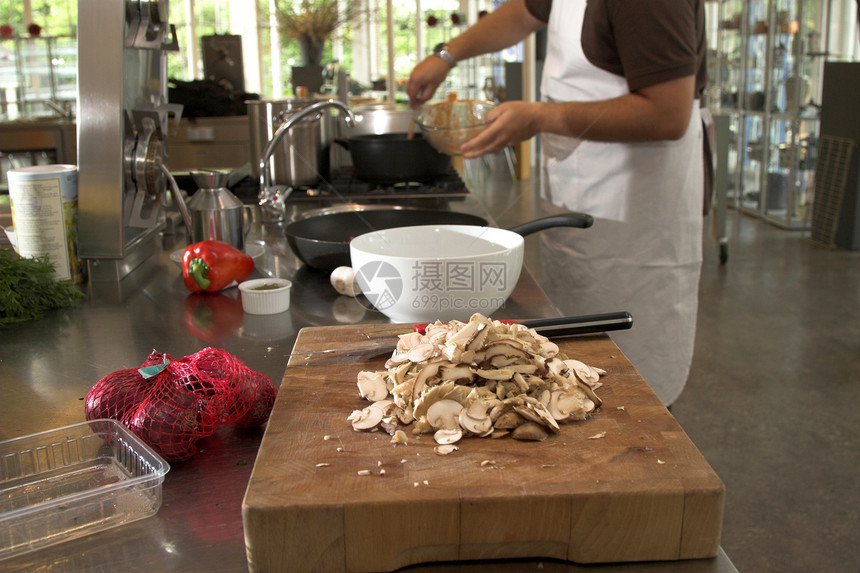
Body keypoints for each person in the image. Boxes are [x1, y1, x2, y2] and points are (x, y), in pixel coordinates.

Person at [406, 0, 707, 406]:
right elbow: (526, 11)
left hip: (635, 215)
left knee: (632, 387)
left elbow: (668, 113)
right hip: (586, 197)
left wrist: (540, 117)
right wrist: (447, 54)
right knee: (582, 365)